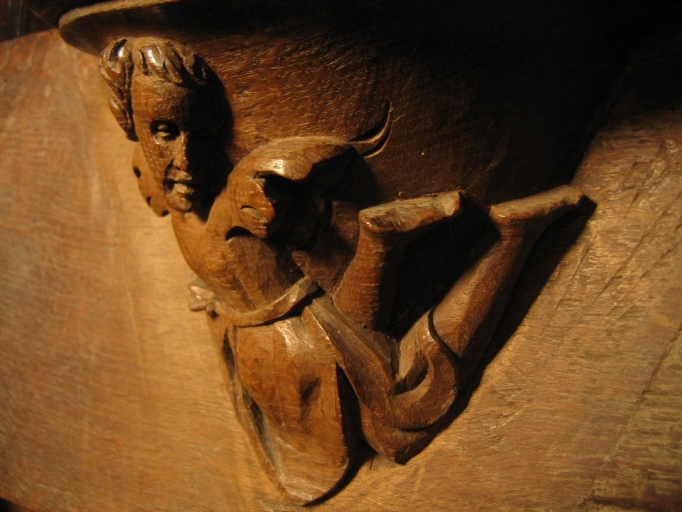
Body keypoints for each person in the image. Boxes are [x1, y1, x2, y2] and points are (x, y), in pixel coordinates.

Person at [101, 37, 585, 503]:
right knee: (392, 394)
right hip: (274, 336)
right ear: (132, 126)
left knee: (407, 404)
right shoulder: (177, 192)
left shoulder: (230, 202)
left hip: (293, 335)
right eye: (163, 132)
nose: (185, 160)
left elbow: (287, 198)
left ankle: (505, 237)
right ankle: (398, 241)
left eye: (202, 134)